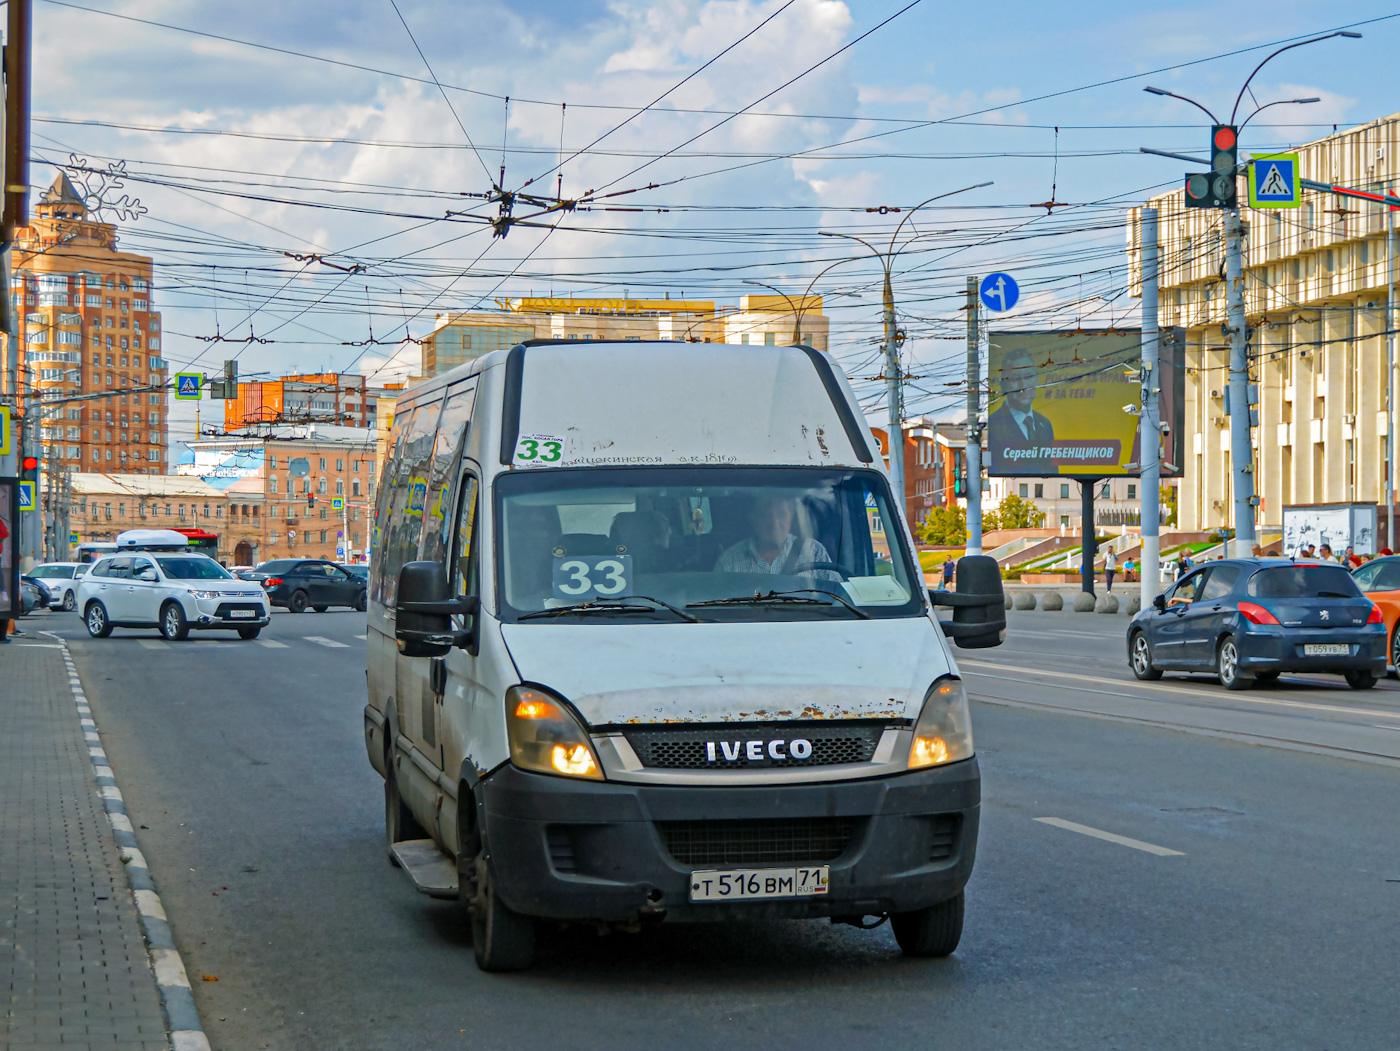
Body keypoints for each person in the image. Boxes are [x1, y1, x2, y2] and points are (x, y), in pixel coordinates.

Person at [715, 495, 839, 582]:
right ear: (753, 519)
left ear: (791, 518)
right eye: (766, 516)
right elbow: (716, 604)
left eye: (782, 515)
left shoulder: (813, 550)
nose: (774, 523)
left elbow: (838, 596)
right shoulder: (729, 561)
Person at [987, 347, 1056, 473]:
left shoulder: (1045, 424)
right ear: (1004, 385)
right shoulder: (994, 425)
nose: (1023, 386)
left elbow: (1051, 471)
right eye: (1015, 379)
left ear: (1036, 379)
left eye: (1028, 376)